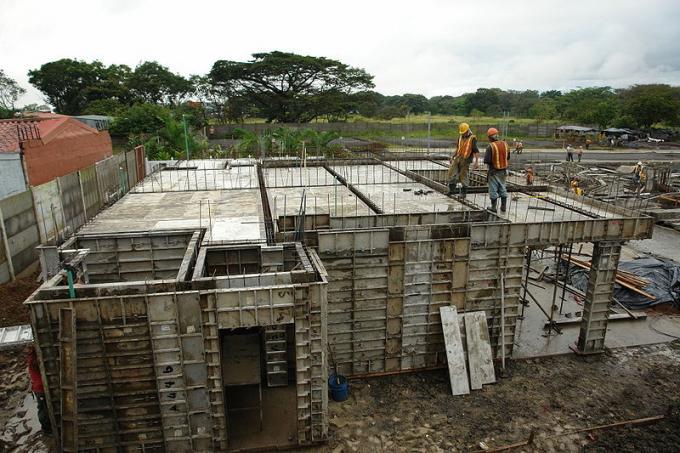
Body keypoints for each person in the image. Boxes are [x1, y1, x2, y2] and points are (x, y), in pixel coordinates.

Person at [447, 122, 479, 198]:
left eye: (464, 132)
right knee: (451, 173)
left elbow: (476, 151)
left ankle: (463, 193)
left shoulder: (472, 138)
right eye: (462, 133)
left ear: (468, 131)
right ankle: (451, 190)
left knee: (463, 176)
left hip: (466, 159)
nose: (463, 134)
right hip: (458, 157)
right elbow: (458, 148)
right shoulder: (460, 137)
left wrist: (476, 162)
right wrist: (453, 156)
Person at [484, 127, 510, 213]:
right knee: (502, 187)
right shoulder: (505, 144)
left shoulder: (490, 146)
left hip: (494, 171)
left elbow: (487, 160)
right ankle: (503, 207)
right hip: (504, 171)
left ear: (490, 137)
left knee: (493, 189)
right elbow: (508, 157)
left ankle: (493, 207)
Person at [28, 346, 51, 434]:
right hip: (40, 388)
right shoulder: (33, 360)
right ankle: (46, 429)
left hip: (38, 387)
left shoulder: (31, 358)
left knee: (43, 408)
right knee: (43, 409)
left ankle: (47, 428)